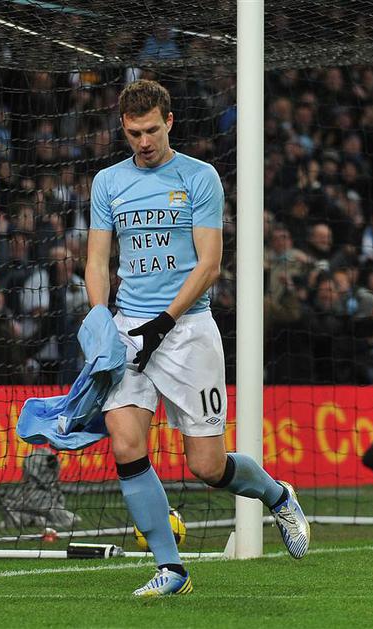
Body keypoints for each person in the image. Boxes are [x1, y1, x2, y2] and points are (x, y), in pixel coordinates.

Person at [85, 80, 310, 597]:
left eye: (151, 130)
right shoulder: (107, 182)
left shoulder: (199, 176)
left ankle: (277, 496)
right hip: (128, 328)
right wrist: (100, 320)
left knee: (207, 466)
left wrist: (162, 323)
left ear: (170, 122)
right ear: (123, 128)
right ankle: (172, 569)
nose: (143, 141)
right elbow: (97, 260)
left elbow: (209, 265)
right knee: (125, 442)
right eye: (133, 133)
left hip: (186, 330)